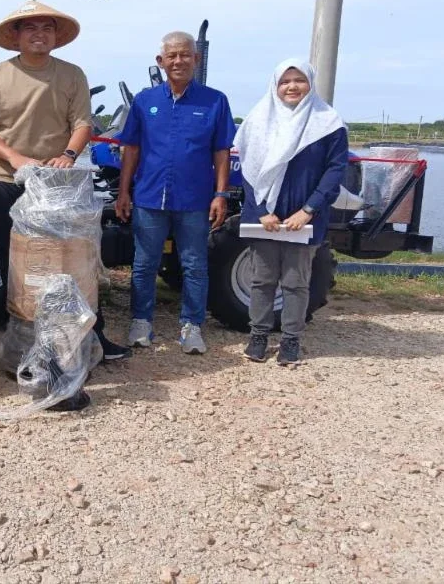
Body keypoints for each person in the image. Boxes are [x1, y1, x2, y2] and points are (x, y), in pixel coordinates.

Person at [0, 0, 130, 362]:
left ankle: (92, 337)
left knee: (75, 261)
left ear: (56, 36)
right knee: (16, 263)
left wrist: (69, 155)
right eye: (30, 27)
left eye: (46, 28)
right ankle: (22, 343)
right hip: (5, 180)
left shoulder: (72, 74)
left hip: (60, 184)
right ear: (16, 35)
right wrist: (16, 158)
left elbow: (82, 124)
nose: (39, 34)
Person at [115, 31, 235, 354]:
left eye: (185, 55)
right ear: (161, 61)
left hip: (195, 199)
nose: (179, 61)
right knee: (144, 263)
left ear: (197, 59)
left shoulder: (215, 101)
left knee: (194, 264)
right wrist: (124, 191)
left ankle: (192, 326)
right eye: (172, 56)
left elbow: (221, 152)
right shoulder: (144, 101)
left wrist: (220, 195)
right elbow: (132, 149)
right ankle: (141, 322)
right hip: (150, 197)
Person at [234, 59, 348, 366]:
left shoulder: (328, 122)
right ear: (275, 85)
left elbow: (335, 170)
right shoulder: (259, 119)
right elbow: (248, 169)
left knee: (296, 282)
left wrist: (308, 209)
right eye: (285, 81)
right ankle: (258, 335)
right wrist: (260, 211)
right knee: (262, 279)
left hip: (305, 217)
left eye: (299, 80)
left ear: (310, 83)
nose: (292, 87)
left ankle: (291, 340)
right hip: (265, 219)